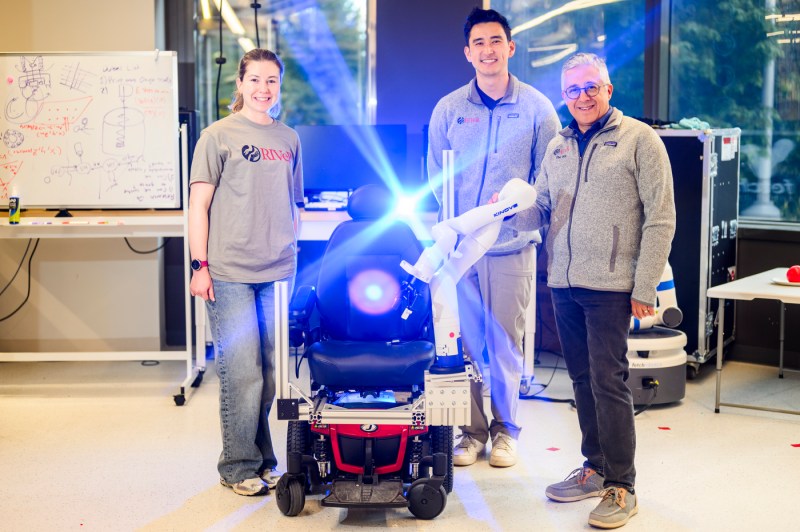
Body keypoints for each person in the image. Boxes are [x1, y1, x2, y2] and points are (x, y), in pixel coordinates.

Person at [524, 52, 675, 528]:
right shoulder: (558, 146)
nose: (583, 96)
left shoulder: (640, 140)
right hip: (563, 282)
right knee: (581, 379)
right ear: (564, 96)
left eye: (592, 87)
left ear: (608, 89)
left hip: (611, 285)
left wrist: (645, 284)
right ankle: (595, 467)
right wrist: (506, 210)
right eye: (573, 89)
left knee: (608, 381)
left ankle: (622, 486)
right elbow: (540, 207)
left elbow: (661, 218)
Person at [427, 7, 560, 469]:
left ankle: (506, 432)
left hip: (511, 248)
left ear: (510, 47)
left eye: (496, 41)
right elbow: (436, 176)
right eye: (479, 43)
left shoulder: (537, 108)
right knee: (462, 344)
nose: (488, 50)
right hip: (460, 252)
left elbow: (547, 179)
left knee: (505, 344)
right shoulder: (448, 109)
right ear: (468, 52)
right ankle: (471, 433)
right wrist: (455, 228)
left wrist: (515, 218)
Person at [188, 48, 303, 497]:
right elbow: (198, 206)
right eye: (254, 79)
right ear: (240, 84)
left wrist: (291, 247)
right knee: (241, 371)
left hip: (277, 271)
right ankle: (236, 466)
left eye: (271, 80)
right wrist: (200, 266)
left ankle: (262, 459)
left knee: (271, 373)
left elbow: (293, 203)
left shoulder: (289, 138)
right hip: (229, 270)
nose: (263, 88)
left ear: (279, 86)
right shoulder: (217, 136)